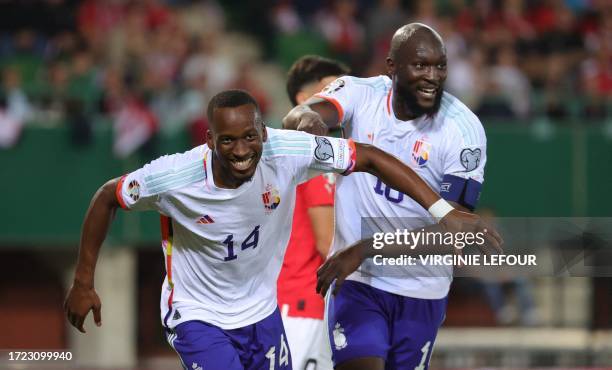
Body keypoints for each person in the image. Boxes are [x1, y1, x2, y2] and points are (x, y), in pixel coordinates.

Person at [64, 89, 485, 370]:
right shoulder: (173, 177)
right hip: (197, 315)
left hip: (262, 313)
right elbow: (106, 197)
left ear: (263, 131)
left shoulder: (289, 151)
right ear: (209, 140)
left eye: (250, 137)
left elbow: (370, 157)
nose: (242, 151)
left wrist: (440, 208)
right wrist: (84, 281)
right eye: (228, 141)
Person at [283, 23, 500, 370]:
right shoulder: (361, 93)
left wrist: (367, 248)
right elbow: (300, 113)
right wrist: (308, 121)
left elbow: (453, 230)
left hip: (421, 287)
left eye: (440, 66)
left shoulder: (463, 129)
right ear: (391, 66)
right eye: (420, 65)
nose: (432, 76)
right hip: (358, 282)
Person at [279, 55, 349, 370]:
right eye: (332, 89)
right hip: (303, 301)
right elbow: (328, 242)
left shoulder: (289, 150)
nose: (342, 99)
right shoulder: (312, 156)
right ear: (304, 101)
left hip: (291, 298)